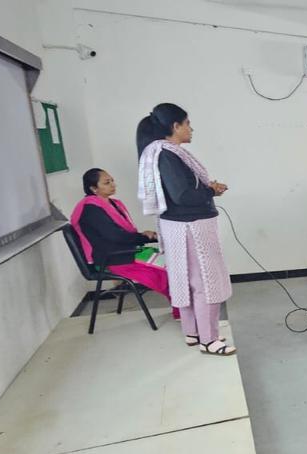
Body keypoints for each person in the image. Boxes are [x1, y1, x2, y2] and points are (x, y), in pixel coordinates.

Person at [135, 102, 235, 356]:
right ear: (174, 126)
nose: (191, 128)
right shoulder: (167, 154)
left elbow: (181, 192)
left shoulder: (162, 152)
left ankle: (192, 332)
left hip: (179, 227)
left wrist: (207, 190)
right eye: (187, 123)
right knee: (205, 284)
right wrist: (211, 190)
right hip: (191, 227)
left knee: (188, 281)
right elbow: (183, 196)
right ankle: (209, 339)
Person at [69, 168, 171, 306]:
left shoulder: (113, 204)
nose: (113, 185)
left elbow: (122, 235)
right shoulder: (90, 209)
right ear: (93, 188)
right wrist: (145, 237)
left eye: (112, 181)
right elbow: (116, 236)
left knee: (172, 263)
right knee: (169, 271)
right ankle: (181, 310)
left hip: (126, 252)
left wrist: (145, 236)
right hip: (113, 258)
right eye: (106, 182)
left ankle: (183, 309)